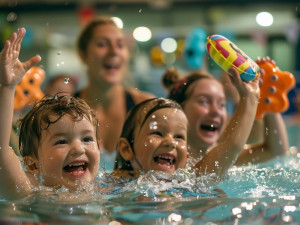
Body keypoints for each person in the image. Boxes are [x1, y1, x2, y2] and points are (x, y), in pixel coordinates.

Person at [113, 64, 260, 185]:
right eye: (157, 133)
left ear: (187, 157)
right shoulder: (116, 183)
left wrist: (250, 98)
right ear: (126, 149)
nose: (171, 142)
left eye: (179, 137)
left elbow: (231, 147)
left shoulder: (187, 180)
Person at [0, 28, 101, 200]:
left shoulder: (106, 192)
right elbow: (1, 150)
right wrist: (8, 88)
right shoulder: (30, 193)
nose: (78, 148)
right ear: (32, 164)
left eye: (87, 139)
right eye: (61, 141)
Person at [161, 63, 289, 165]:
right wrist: (249, 96)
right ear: (179, 110)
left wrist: (268, 99)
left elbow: (276, 151)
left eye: (221, 104)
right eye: (204, 101)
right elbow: (232, 147)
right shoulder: (167, 161)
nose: (216, 111)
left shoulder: (229, 158)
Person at [76, 16, 155, 172]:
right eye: (102, 44)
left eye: (120, 45)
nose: (114, 52)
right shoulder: (63, 112)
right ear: (83, 54)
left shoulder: (147, 108)